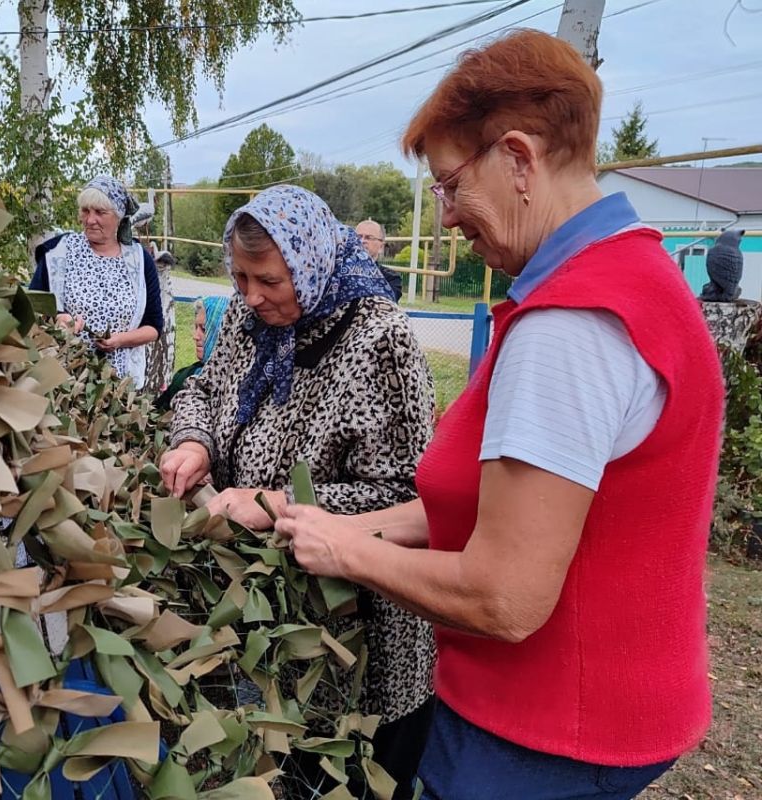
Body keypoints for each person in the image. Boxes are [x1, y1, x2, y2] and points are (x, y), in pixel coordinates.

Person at [274, 30, 724, 800]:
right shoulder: (635, 276)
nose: (448, 218)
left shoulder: (569, 329)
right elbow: (512, 509)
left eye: (450, 186)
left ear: (518, 159)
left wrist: (347, 554)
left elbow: (503, 597)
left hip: (540, 738)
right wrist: (341, 525)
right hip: (610, 715)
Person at [159, 184, 437, 797]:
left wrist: (273, 504)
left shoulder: (378, 339)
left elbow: (407, 500)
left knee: (343, 776)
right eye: (239, 277)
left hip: (353, 640)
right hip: (268, 622)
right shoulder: (249, 318)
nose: (251, 295)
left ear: (310, 264)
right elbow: (202, 387)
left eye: (269, 280)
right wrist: (195, 443)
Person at [30, 176, 163, 388]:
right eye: (85, 211)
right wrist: (59, 318)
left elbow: (154, 326)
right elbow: (32, 308)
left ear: (118, 216)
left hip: (120, 384)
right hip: (65, 380)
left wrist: (120, 340)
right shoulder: (59, 252)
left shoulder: (139, 260)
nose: (90, 220)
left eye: (100, 212)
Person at [156, 295, 229, 412]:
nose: (195, 336)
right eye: (196, 327)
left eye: (204, 329)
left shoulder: (235, 386)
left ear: (224, 333)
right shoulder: (185, 376)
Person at [356, 219, 403, 301]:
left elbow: (385, 303)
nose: (362, 241)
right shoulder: (338, 272)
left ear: (381, 247)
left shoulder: (391, 278)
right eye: (358, 237)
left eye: (369, 238)